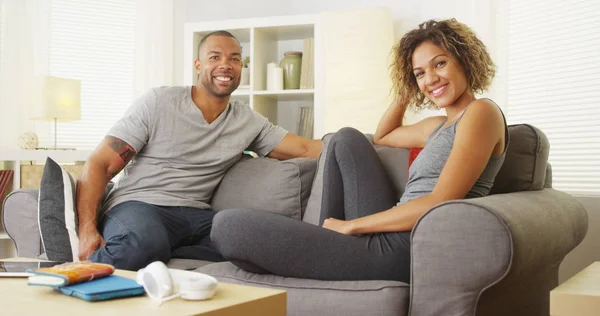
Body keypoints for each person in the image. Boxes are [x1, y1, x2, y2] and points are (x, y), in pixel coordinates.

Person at [210, 18, 508, 283]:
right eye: (420, 73)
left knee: (228, 225)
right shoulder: (437, 126)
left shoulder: (481, 113)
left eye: (439, 64)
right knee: (347, 138)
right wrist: (407, 90)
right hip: (390, 234)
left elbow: (440, 201)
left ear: (464, 59)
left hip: (407, 247)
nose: (430, 79)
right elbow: (384, 135)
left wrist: (352, 226)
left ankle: (325, 246)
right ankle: (324, 247)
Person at [63, 30, 322, 271]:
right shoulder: (158, 103)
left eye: (234, 59)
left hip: (197, 216)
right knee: (145, 245)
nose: (225, 65)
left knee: (257, 243)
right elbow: (101, 164)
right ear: (198, 66)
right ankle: (72, 277)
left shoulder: (247, 121)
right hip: (139, 205)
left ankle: (168, 250)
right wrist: (87, 230)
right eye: (214, 57)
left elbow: (304, 148)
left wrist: (357, 144)